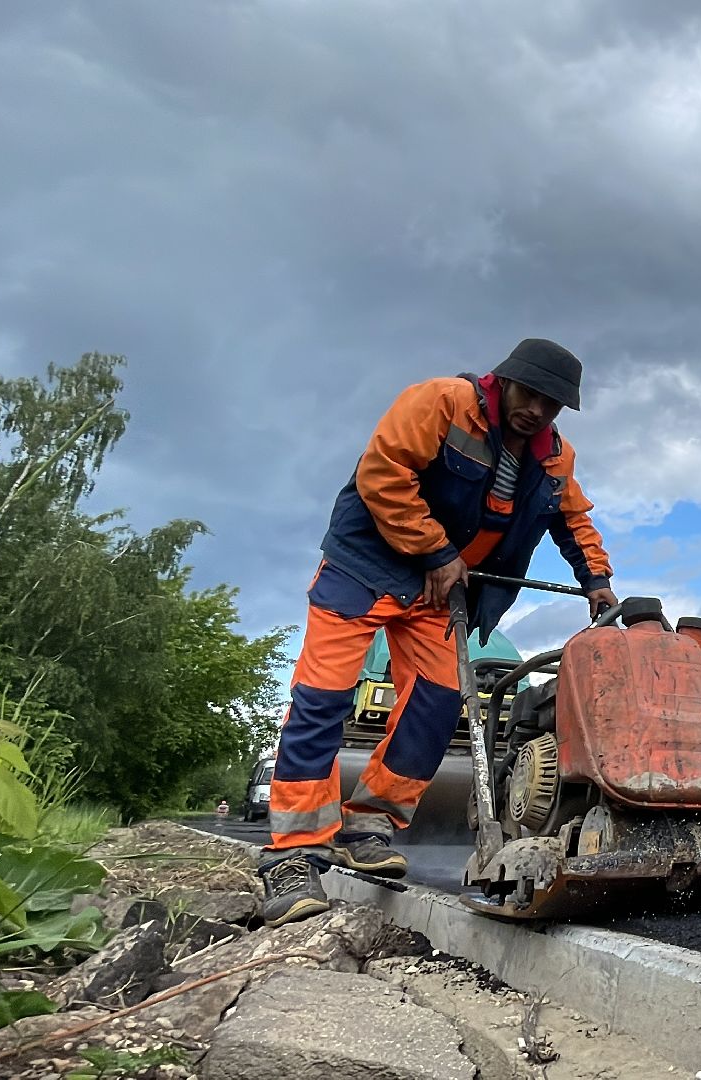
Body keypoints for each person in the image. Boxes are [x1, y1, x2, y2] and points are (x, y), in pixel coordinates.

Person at [259, 338, 618, 927]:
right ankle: (294, 854)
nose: (537, 411)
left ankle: (369, 824)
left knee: (437, 704)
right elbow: (384, 473)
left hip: (438, 590)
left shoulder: (554, 456)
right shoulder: (443, 403)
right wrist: (436, 550)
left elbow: (571, 518)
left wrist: (598, 580)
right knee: (322, 701)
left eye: (552, 405)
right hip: (364, 569)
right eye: (530, 394)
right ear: (505, 380)